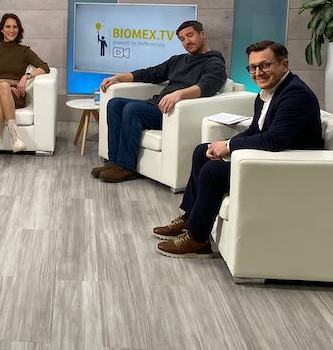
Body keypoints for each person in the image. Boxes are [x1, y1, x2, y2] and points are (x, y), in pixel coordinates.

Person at [154, 41, 323, 258]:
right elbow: (255, 130)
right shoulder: (268, 91)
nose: (258, 73)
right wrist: (222, 145)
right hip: (267, 157)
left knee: (213, 172)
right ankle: (191, 218)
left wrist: (229, 146)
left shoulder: (295, 95)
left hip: (287, 168)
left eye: (265, 65)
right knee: (202, 152)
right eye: (253, 67)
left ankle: (198, 240)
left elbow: (275, 140)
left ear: (284, 64)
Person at [91, 20, 227, 183]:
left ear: (202, 34)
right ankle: (113, 162)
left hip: (174, 112)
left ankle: (126, 167)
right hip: (157, 105)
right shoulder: (178, 60)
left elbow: (207, 87)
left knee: (132, 109)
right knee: (115, 104)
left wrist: (179, 94)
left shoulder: (215, 63)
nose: (186, 41)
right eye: (182, 39)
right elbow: (151, 73)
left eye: (190, 36)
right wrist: (118, 77)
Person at [0, 13, 50, 167]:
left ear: (19, 30)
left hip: (15, 96)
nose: (11, 30)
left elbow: (44, 67)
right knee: (1, 89)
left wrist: (26, 76)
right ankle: (15, 136)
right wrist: (5, 86)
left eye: (15, 27)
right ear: (2, 29)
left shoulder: (24, 51)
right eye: (8, 27)